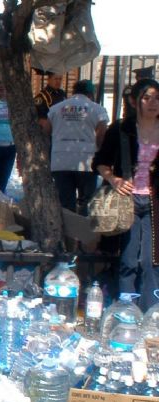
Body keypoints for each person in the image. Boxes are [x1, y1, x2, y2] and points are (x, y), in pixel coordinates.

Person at [93, 79, 159, 310]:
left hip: (153, 203)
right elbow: (99, 162)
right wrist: (114, 179)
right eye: (146, 97)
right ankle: (126, 309)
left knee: (151, 260)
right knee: (129, 259)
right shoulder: (122, 128)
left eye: (157, 98)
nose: (153, 103)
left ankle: (151, 311)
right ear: (135, 101)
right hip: (126, 201)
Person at [46, 80, 109, 215]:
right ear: (91, 94)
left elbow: (46, 132)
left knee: (65, 203)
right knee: (87, 202)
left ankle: (68, 233)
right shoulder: (98, 110)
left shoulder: (56, 109)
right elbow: (101, 136)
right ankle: (83, 232)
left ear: (73, 92)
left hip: (60, 161)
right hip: (87, 162)